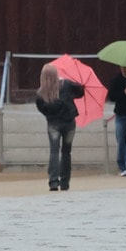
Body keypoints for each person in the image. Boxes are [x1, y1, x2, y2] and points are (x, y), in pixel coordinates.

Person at [35, 63, 84, 191]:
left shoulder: (41, 93)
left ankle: (53, 181)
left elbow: (42, 108)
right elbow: (80, 92)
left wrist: (51, 114)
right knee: (66, 152)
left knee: (54, 151)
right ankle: (65, 182)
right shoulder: (66, 85)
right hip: (69, 123)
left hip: (53, 124)